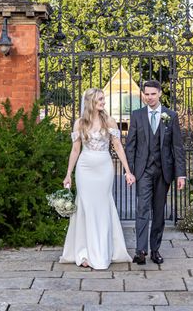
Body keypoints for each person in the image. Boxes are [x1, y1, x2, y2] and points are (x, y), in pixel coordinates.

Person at [59, 88, 136, 269]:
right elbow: (75, 150)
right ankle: (84, 252)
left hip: (104, 167)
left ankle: (102, 252)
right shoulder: (79, 123)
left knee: (102, 207)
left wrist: (128, 171)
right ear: (91, 101)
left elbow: (117, 146)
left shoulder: (108, 121)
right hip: (85, 168)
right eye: (100, 99)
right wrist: (68, 173)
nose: (103, 102)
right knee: (85, 208)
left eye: (103, 99)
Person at [126, 80, 185, 265]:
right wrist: (131, 171)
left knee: (159, 212)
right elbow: (130, 146)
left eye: (153, 94)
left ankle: (155, 250)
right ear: (143, 94)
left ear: (159, 93)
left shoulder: (171, 115)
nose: (149, 97)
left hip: (164, 171)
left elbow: (178, 147)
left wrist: (180, 174)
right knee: (142, 209)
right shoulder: (137, 115)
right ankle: (140, 250)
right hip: (143, 171)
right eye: (146, 94)